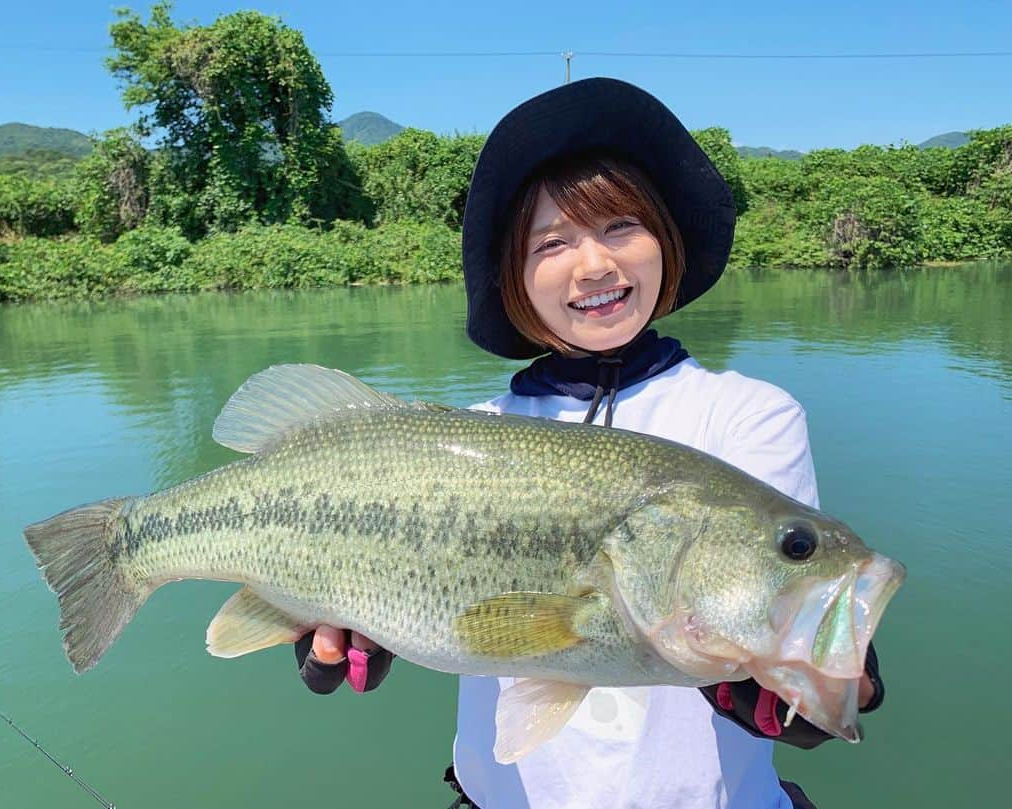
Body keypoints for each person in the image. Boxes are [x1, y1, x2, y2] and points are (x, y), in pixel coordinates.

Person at [293, 78, 885, 808]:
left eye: (619, 228)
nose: (594, 264)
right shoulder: (467, 435)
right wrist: (341, 623)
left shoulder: (748, 417)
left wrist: (793, 688)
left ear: (665, 241)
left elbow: (767, 629)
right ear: (515, 274)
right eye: (553, 242)